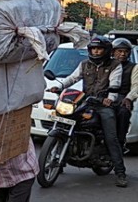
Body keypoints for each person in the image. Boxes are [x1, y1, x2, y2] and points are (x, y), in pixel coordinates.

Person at [50, 36, 127, 187]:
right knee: (68, 121)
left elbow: (115, 83)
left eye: (99, 49)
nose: (96, 51)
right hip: (86, 101)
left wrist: (109, 98)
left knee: (111, 138)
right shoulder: (85, 64)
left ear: (106, 51)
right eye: (93, 49)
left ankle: (120, 173)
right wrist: (59, 87)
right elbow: (72, 78)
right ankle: (60, 161)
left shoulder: (115, 65)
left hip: (104, 104)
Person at [112, 38, 138, 166]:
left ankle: (120, 144)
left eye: (125, 51)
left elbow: (136, 86)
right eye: (119, 51)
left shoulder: (134, 67)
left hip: (122, 98)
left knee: (123, 113)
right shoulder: (107, 65)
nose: (122, 54)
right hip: (106, 98)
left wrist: (129, 98)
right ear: (113, 52)